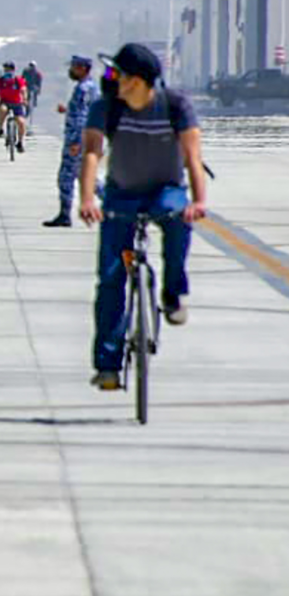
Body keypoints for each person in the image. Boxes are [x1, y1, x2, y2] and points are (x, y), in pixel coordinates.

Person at [79, 43, 207, 391]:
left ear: (136, 81)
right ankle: (107, 365)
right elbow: (92, 154)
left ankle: (172, 292)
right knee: (109, 280)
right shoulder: (107, 108)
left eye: (116, 73)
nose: (110, 79)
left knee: (178, 217)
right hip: (121, 194)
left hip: (165, 190)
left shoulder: (174, 105)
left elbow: (193, 158)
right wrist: (88, 199)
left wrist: (198, 201)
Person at [43, 55, 97, 227]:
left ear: (82, 68)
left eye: (73, 67)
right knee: (88, 177)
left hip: (77, 140)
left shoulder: (82, 89)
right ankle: (118, 204)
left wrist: (76, 142)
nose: (70, 71)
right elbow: (87, 112)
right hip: (85, 139)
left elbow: (82, 118)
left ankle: (65, 215)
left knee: (66, 178)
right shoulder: (91, 87)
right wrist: (67, 110)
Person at [0, 60, 28, 151]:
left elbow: (23, 90)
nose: (7, 71)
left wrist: (24, 99)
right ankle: (1, 129)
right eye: (6, 69)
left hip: (17, 104)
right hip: (5, 102)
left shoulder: (18, 80)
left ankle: (20, 142)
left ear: (13, 70)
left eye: (9, 69)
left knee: (21, 122)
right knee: (2, 110)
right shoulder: (0, 80)